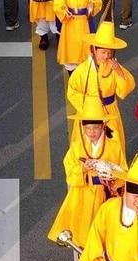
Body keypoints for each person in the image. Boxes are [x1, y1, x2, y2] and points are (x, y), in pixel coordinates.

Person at [48, 97, 128, 250]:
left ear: (103, 126)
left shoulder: (114, 146)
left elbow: (123, 171)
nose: (92, 132)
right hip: (83, 192)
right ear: (82, 127)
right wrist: (83, 169)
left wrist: (112, 177)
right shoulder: (77, 146)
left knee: (102, 226)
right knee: (83, 226)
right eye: (88, 128)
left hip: (105, 193)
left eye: (96, 128)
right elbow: (69, 169)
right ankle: (84, 251)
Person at [53, 0, 103, 72]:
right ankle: (72, 76)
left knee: (87, 50)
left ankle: (85, 75)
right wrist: (63, 10)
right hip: (70, 22)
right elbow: (58, 2)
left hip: (85, 22)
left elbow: (97, 0)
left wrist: (93, 5)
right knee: (71, 50)